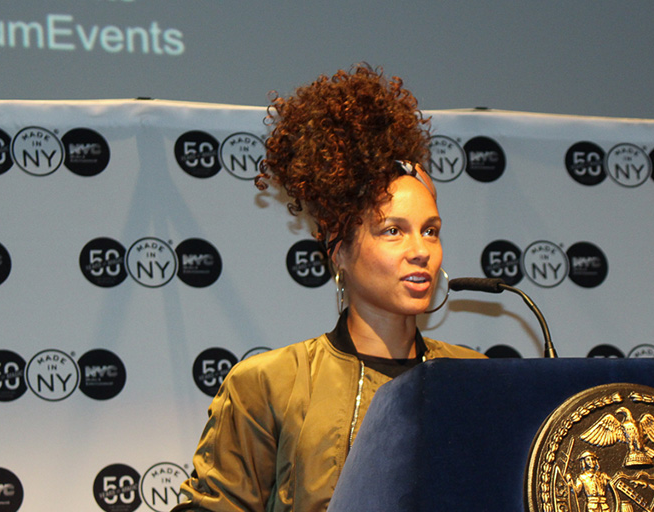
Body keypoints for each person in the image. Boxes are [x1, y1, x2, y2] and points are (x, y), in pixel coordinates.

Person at [173, 65, 484, 512]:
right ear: (338, 249)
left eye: (430, 231)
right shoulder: (268, 384)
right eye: (393, 231)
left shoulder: (476, 379)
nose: (421, 251)